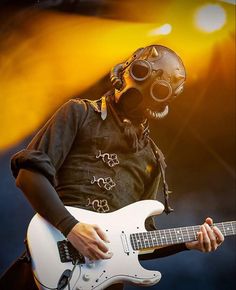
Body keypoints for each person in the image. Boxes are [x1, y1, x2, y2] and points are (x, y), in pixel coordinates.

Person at [0, 44, 224, 290]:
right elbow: (28, 175)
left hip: (102, 282)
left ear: (165, 99)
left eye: (158, 88)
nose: (141, 88)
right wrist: (71, 227)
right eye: (140, 72)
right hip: (46, 264)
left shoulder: (153, 158)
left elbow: (137, 244)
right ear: (124, 69)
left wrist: (187, 243)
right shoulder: (79, 112)